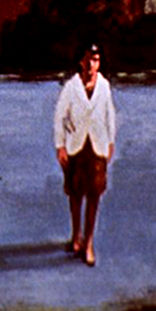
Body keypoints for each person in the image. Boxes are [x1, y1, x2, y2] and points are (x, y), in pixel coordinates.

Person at [53, 43, 116, 267]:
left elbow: (109, 114)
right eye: (87, 59)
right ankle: (76, 236)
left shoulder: (104, 86)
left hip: (97, 147)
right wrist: (60, 146)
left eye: (95, 60)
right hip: (76, 147)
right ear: (81, 61)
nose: (91, 64)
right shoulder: (71, 87)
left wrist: (110, 141)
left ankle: (88, 242)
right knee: (75, 193)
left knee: (94, 195)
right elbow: (60, 117)